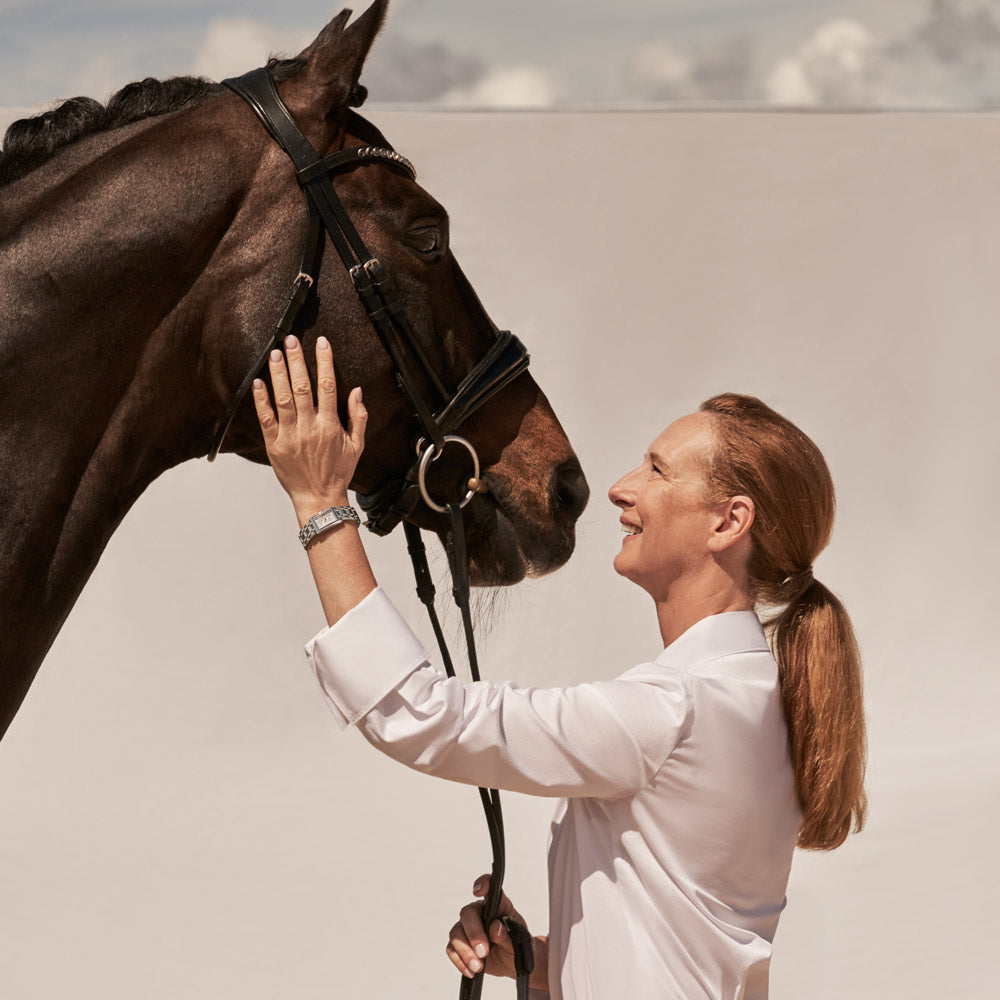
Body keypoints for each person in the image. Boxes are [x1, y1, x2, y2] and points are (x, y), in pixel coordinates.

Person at [252, 334, 867, 1000]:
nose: (620, 489)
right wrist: (539, 960)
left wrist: (320, 503)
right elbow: (681, 956)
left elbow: (423, 715)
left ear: (727, 522)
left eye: (657, 471)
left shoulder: (677, 709)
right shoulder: (750, 700)